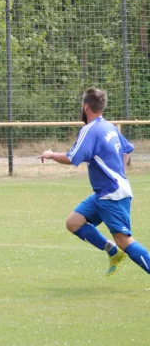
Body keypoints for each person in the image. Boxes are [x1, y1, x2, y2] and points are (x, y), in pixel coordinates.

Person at [38, 87, 150, 275]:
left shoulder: (90, 130)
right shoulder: (109, 127)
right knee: (73, 222)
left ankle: (120, 250)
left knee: (124, 240)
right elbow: (127, 149)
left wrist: (50, 154)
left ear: (86, 107)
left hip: (111, 194)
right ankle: (113, 252)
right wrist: (118, 172)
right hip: (103, 193)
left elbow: (72, 158)